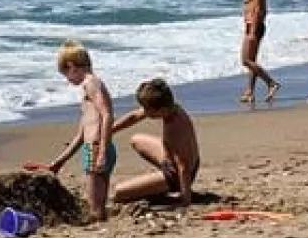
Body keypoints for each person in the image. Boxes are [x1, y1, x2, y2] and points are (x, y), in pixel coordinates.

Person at [44, 41, 116, 221]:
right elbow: (81, 135)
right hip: (95, 147)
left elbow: (107, 114)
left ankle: (100, 232)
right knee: (99, 204)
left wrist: (101, 152)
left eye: (65, 74)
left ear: (71, 67)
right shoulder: (90, 87)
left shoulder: (91, 83)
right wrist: (60, 161)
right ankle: (102, 225)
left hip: (97, 148)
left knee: (94, 207)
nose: (68, 80)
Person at [110, 79, 201, 206]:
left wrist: (185, 199)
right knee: (136, 139)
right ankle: (157, 183)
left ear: (161, 109)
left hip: (177, 175)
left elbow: (183, 167)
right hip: (170, 160)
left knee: (118, 193)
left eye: (147, 109)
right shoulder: (171, 108)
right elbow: (134, 116)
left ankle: (166, 185)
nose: (144, 112)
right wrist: (109, 131)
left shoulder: (176, 127)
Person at [238, 0, 280, 104]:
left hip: (254, 27)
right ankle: (250, 92)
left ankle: (271, 83)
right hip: (251, 26)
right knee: (252, 60)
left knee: (245, 60)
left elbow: (258, 10)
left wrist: (253, 31)